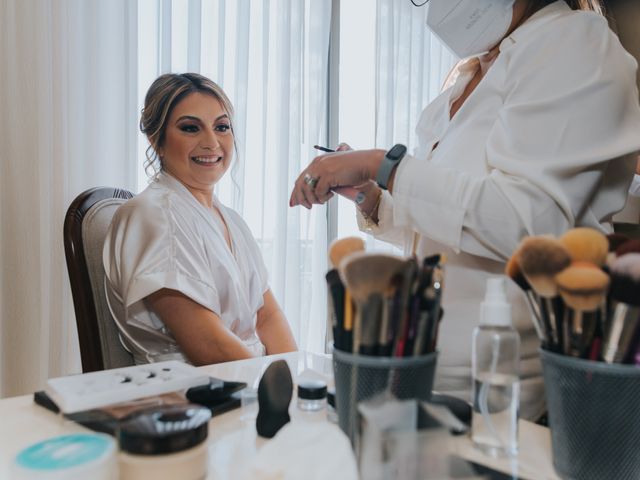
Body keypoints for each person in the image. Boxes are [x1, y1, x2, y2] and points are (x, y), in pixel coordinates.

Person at [290, 0, 640, 420]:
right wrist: (373, 194)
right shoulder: (470, 77)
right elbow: (452, 226)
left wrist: (384, 165)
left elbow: (530, 223)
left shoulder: (575, 42)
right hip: (429, 370)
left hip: (507, 393)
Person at [104, 73, 297, 365]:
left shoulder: (231, 220)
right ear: (156, 139)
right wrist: (272, 391)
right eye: (191, 128)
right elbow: (209, 346)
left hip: (247, 380)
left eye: (222, 127)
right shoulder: (154, 217)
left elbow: (268, 316)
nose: (212, 142)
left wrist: (293, 382)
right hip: (191, 395)